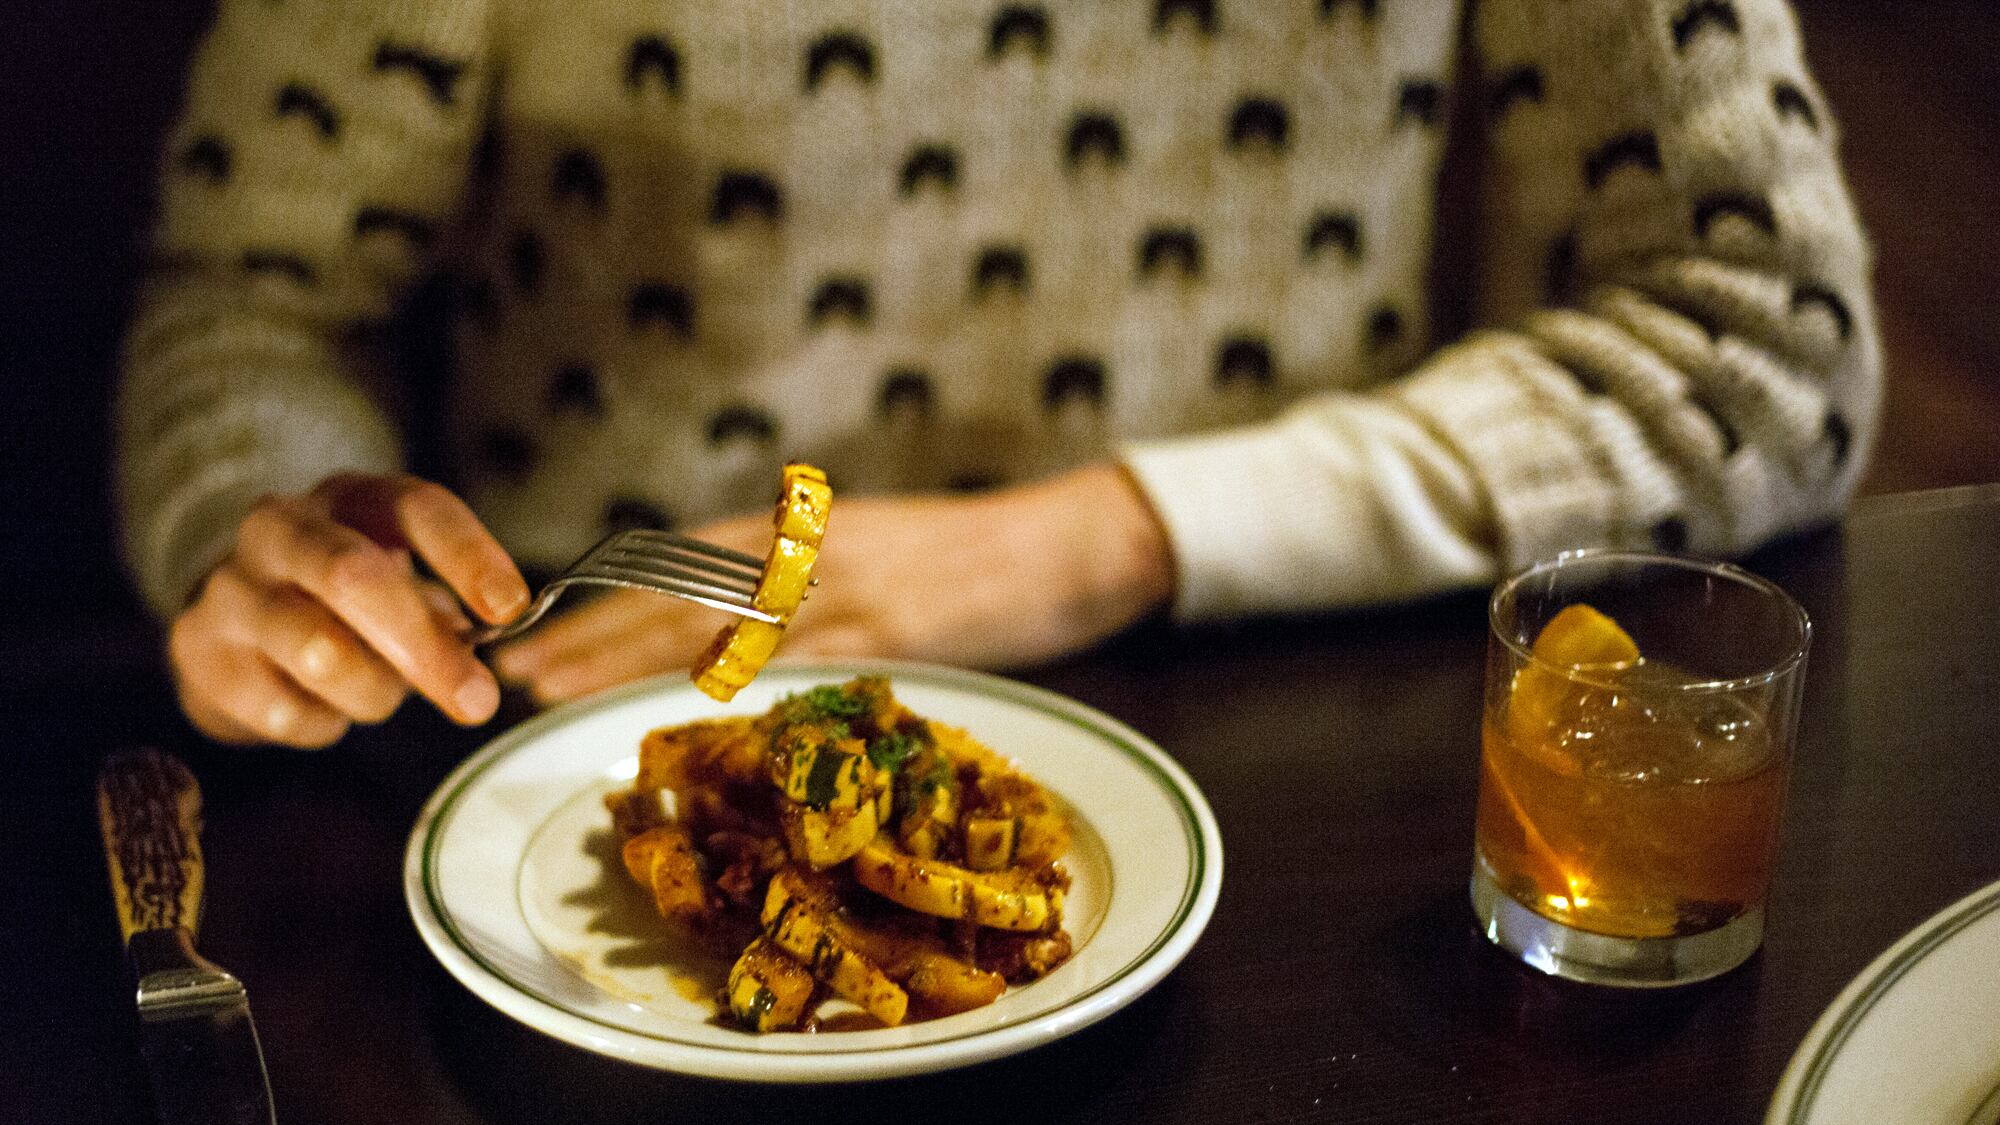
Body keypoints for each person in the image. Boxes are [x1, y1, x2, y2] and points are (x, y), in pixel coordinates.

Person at [119, 0, 1879, 748]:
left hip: (1300, 716)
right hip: (582, 730)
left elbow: (1767, 336)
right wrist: (270, 547)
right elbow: (250, 301)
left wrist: (1087, 542)